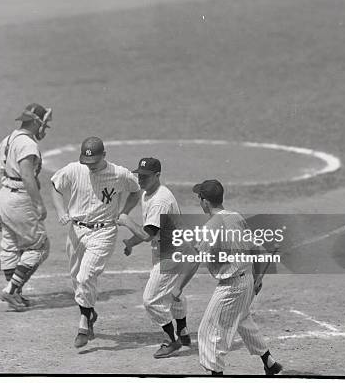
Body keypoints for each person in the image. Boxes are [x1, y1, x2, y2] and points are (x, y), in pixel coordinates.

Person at [51, 137, 141, 348]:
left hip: (104, 231)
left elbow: (136, 191)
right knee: (77, 278)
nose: (89, 166)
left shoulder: (119, 174)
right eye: (86, 162)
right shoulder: (74, 170)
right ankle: (90, 313)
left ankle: (83, 323)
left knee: (85, 275)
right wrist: (61, 210)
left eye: (94, 162)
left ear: (104, 156)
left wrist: (124, 212)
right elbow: (55, 186)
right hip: (76, 230)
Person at [192, 179, 283, 375]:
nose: (199, 202)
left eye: (200, 198)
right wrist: (258, 278)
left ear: (206, 201)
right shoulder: (236, 216)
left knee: (208, 332)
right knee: (242, 318)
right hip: (247, 279)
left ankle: (216, 375)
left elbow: (196, 259)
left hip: (231, 287)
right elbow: (254, 249)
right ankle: (269, 362)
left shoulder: (210, 228)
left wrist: (195, 249)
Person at [117, 157, 199, 359]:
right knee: (172, 293)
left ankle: (172, 340)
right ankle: (183, 331)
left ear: (157, 176)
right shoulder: (148, 194)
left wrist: (127, 220)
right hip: (168, 250)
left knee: (151, 300)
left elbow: (147, 235)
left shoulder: (161, 200)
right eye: (139, 175)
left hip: (173, 254)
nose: (141, 179)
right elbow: (150, 230)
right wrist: (130, 243)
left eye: (145, 176)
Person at [0, 103, 53, 311]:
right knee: (39, 246)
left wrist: (4, 205)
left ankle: (15, 293)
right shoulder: (27, 144)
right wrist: (38, 204)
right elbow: (27, 176)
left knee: (10, 245)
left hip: (4, 195)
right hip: (19, 198)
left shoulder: (9, 139)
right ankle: (11, 290)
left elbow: (3, 169)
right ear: (36, 122)